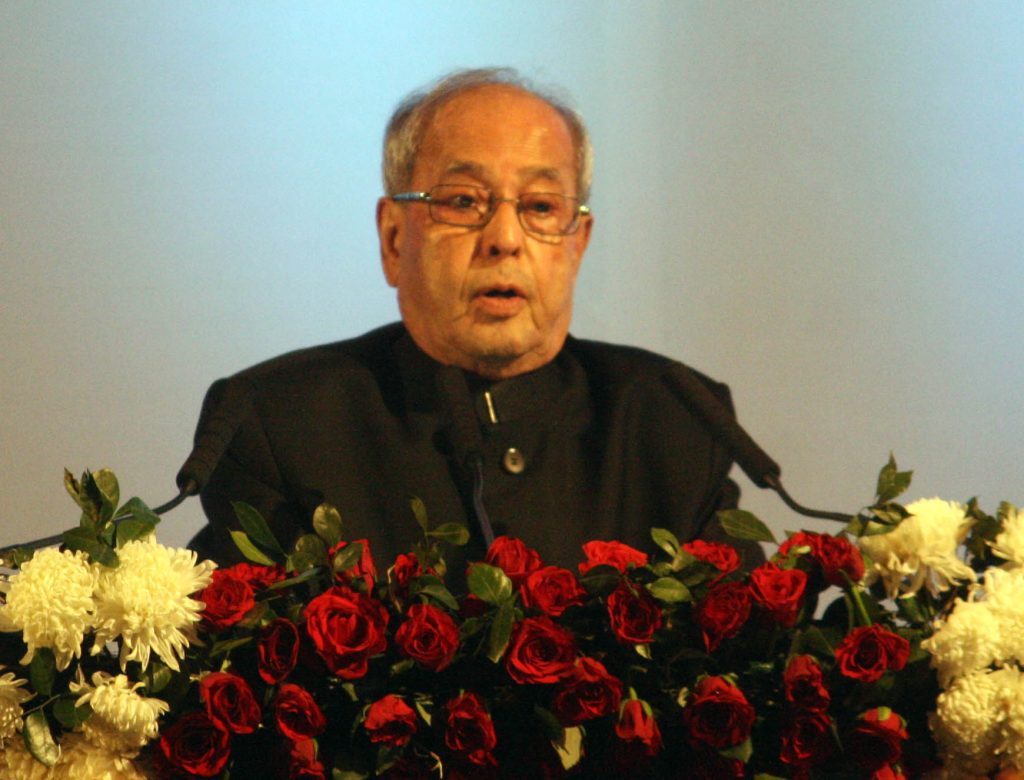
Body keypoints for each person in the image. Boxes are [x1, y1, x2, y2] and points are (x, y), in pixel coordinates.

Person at [188, 67, 755, 574]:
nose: (505, 239)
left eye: (539, 207)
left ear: (577, 244)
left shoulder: (672, 422)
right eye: (462, 202)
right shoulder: (279, 424)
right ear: (392, 239)